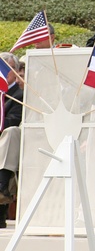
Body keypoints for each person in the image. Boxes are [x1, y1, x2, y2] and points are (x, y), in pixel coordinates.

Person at [0, 53, 23, 227]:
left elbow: (13, 120)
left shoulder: (20, 95)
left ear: (14, 72)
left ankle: (1, 186)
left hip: (8, 140)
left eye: (5, 69)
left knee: (11, 132)